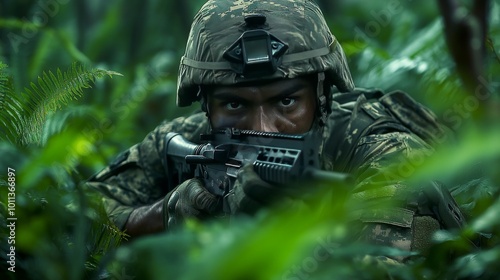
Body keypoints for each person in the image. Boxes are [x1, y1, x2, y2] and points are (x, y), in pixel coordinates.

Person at [87, 0, 463, 262]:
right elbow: (59, 220)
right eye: (235, 105)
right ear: (207, 105)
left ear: (321, 96)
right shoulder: (192, 141)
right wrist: (168, 212)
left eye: (286, 103)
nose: (261, 128)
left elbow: (376, 269)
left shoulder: (385, 151)